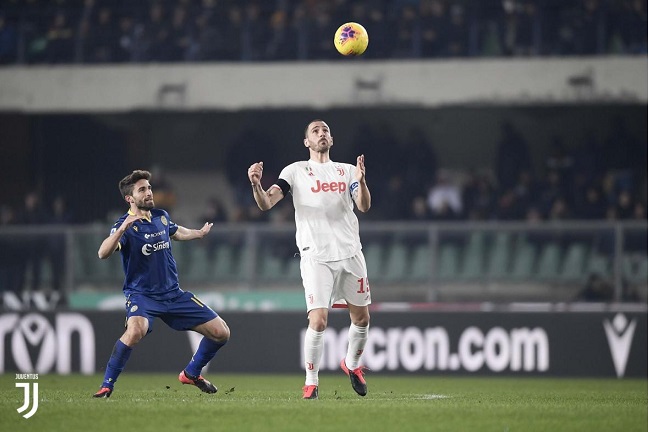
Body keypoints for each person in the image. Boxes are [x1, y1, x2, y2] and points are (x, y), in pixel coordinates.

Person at [247, 119, 372, 400]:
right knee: (318, 321)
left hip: (351, 253)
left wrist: (362, 182)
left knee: (362, 319)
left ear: (332, 138)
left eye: (325, 130)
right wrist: (256, 185)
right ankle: (311, 382)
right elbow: (266, 203)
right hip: (316, 256)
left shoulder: (348, 171)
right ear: (307, 142)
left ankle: (352, 365)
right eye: (315, 131)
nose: (321, 133)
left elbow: (363, 205)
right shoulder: (294, 172)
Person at [92, 170, 230, 398]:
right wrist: (123, 228)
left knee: (221, 332)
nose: (149, 193)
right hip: (142, 296)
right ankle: (107, 384)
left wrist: (198, 233)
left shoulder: (161, 216)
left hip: (173, 295)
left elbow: (176, 232)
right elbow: (102, 253)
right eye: (142, 190)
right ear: (129, 198)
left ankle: (191, 374)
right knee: (136, 330)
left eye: (149, 188)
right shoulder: (124, 226)